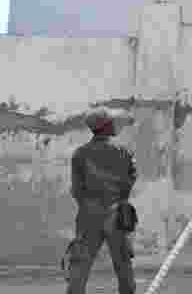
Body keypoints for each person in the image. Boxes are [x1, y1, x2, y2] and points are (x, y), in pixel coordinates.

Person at [66, 108, 138, 294]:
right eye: (111, 122)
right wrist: (120, 198)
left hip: (89, 214)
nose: (114, 124)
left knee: (80, 264)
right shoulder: (124, 152)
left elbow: (76, 190)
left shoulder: (80, 154)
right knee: (123, 263)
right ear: (105, 127)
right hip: (117, 213)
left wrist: (89, 204)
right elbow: (131, 179)